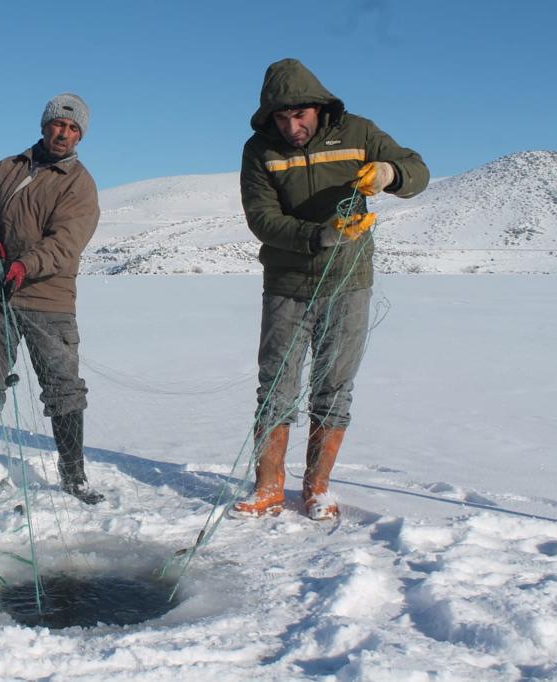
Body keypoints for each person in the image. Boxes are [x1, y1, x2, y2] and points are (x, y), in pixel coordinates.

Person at [235, 58, 429, 520]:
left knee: (334, 386)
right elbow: (261, 217)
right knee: (276, 386)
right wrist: (316, 235)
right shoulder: (258, 150)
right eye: (281, 118)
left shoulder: (359, 133)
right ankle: (268, 486)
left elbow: (416, 170)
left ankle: (317, 487)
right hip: (286, 282)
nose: (291, 126)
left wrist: (387, 174)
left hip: (348, 280)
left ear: (318, 107)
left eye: (299, 116)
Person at [0, 92, 103, 505]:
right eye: (59, 124)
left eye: (74, 129)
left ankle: (74, 478)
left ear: (80, 137)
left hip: (49, 297)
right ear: (45, 125)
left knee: (63, 389)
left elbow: (67, 242)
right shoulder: (6, 168)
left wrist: (26, 266)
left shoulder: (79, 184)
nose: (65, 133)